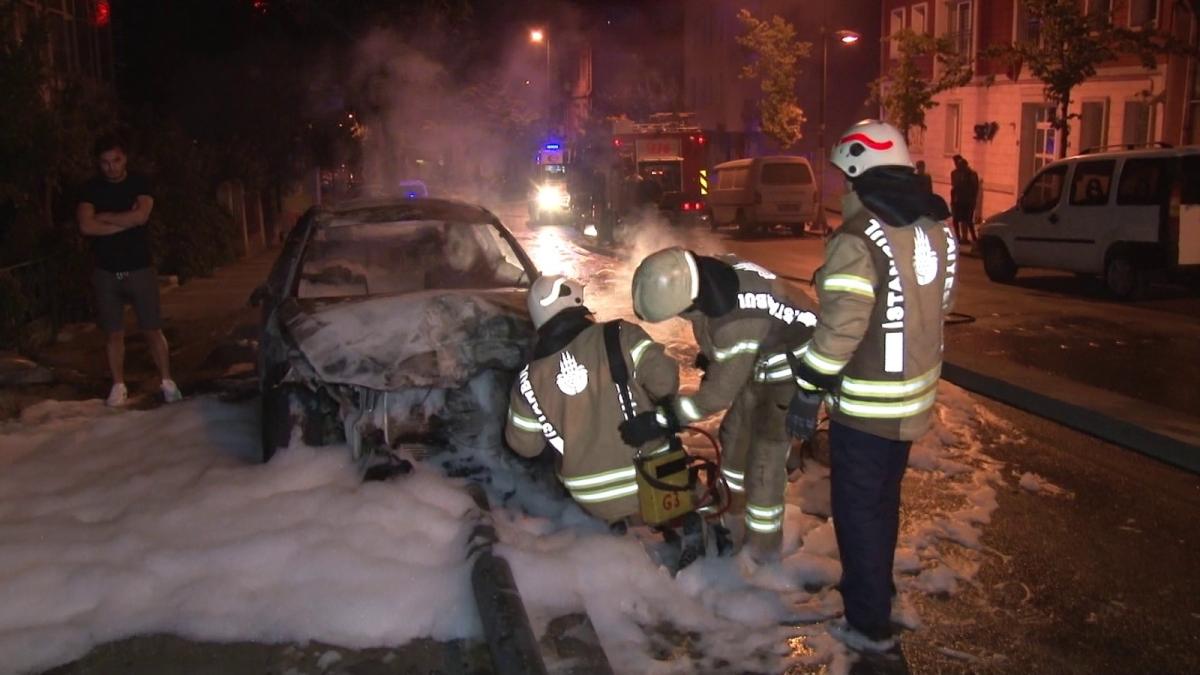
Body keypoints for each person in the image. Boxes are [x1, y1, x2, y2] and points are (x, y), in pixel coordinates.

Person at [792, 119, 957, 653]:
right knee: (884, 502)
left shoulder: (858, 239)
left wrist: (809, 385)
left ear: (861, 172)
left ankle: (867, 623)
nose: (841, 187)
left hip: (865, 406)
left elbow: (840, 330)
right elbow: (941, 306)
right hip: (914, 400)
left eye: (845, 176)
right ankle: (875, 591)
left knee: (859, 510)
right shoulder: (936, 227)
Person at [623, 248, 819, 563]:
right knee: (734, 433)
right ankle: (733, 513)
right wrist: (719, 357)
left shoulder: (735, 321)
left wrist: (663, 419)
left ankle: (762, 554)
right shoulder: (708, 274)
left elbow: (717, 396)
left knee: (764, 461)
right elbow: (713, 326)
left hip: (794, 369)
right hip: (760, 356)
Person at [504, 274, 682, 529]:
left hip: (591, 498)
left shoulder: (527, 380)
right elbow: (664, 382)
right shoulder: (619, 335)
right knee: (691, 513)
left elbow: (524, 446)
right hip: (655, 480)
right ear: (576, 303)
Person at [77, 135, 181, 407]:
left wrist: (105, 217)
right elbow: (86, 227)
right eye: (105, 162)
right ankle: (118, 385)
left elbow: (141, 216)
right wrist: (126, 221)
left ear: (125, 158)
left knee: (152, 329)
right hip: (106, 271)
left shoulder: (139, 183)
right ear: (99, 164)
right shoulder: (90, 189)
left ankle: (167, 382)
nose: (110, 167)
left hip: (139, 268)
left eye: (116, 160)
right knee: (113, 333)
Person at [950, 155, 980, 243]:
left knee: (968, 220)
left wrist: (974, 200)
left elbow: (975, 188)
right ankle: (959, 237)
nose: (959, 167)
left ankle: (972, 238)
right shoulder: (956, 173)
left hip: (968, 200)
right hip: (958, 200)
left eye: (961, 166)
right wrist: (953, 200)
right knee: (956, 219)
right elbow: (954, 187)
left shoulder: (971, 174)